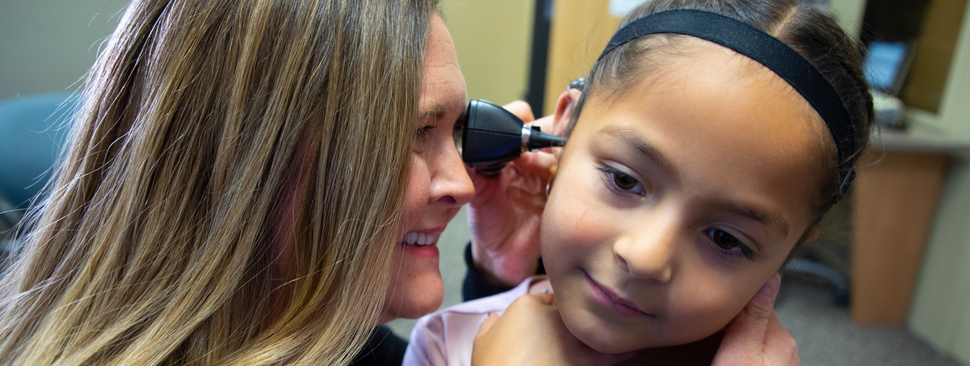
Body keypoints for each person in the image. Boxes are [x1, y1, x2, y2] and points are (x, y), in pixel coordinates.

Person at [0, 0, 806, 365]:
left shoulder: (333, 341)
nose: (461, 181)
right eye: (415, 134)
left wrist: (496, 276)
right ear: (242, 159)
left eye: (458, 132)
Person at [404, 0, 874, 365]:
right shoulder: (447, 346)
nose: (646, 257)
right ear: (563, 133)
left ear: (786, 254)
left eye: (725, 239)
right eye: (624, 181)